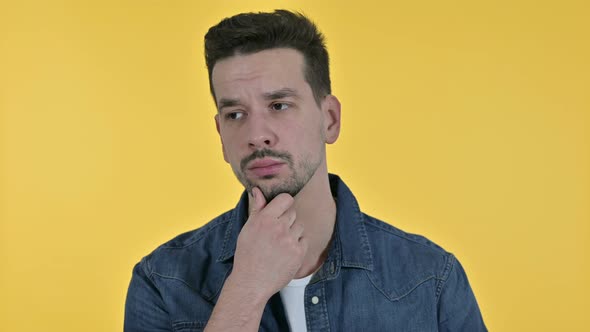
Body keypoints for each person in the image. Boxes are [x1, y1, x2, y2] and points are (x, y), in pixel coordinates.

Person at [124, 9, 487, 332]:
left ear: (329, 120)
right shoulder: (162, 280)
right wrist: (246, 287)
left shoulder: (430, 278)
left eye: (279, 105)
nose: (256, 135)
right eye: (235, 115)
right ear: (220, 135)